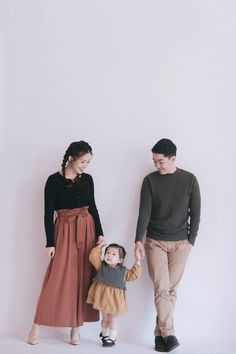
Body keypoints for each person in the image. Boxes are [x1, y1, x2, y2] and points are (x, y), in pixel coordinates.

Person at [27, 141, 105, 345]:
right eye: (82, 161)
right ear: (71, 158)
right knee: (57, 277)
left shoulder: (88, 179)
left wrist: (100, 233)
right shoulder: (53, 181)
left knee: (83, 278)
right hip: (64, 230)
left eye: (88, 162)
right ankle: (37, 324)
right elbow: (47, 214)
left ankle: (75, 330)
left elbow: (93, 208)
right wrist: (50, 243)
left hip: (87, 230)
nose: (85, 166)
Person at [135, 138, 201, 352]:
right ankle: (169, 333)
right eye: (154, 161)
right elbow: (143, 213)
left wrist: (191, 241)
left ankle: (159, 337)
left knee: (170, 290)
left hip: (181, 243)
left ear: (173, 159)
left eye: (160, 161)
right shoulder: (150, 181)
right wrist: (138, 239)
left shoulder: (190, 179)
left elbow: (196, 213)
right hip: (155, 242)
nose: (156, 165)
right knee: (162, 289)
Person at [87, 242, 141, 347]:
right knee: (105, 319)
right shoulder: (101, 266)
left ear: (120, 260)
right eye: (107, 252)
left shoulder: (123, 271)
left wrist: (138, 261)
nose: (109, 255)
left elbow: (134, 275)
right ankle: (104, 335)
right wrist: (100, 246)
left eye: (113, 254)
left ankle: (112, 338)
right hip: (103, 298)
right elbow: (92, 257)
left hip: (116, 301)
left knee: (113, 319)